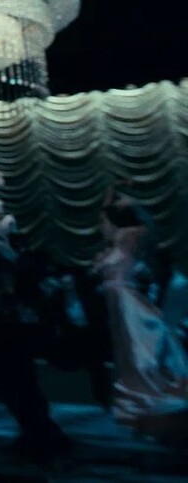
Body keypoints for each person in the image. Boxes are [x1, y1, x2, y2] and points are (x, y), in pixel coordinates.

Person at [93, 190, 188, 448]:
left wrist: (125, 200)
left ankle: (150, 403)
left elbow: (147, 227)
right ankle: (141, 407)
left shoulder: (132, 235)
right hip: (117, 305)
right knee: (128, 356)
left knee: (140, 354)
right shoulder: (116, 240)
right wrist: (110, 199)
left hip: (128, 304)